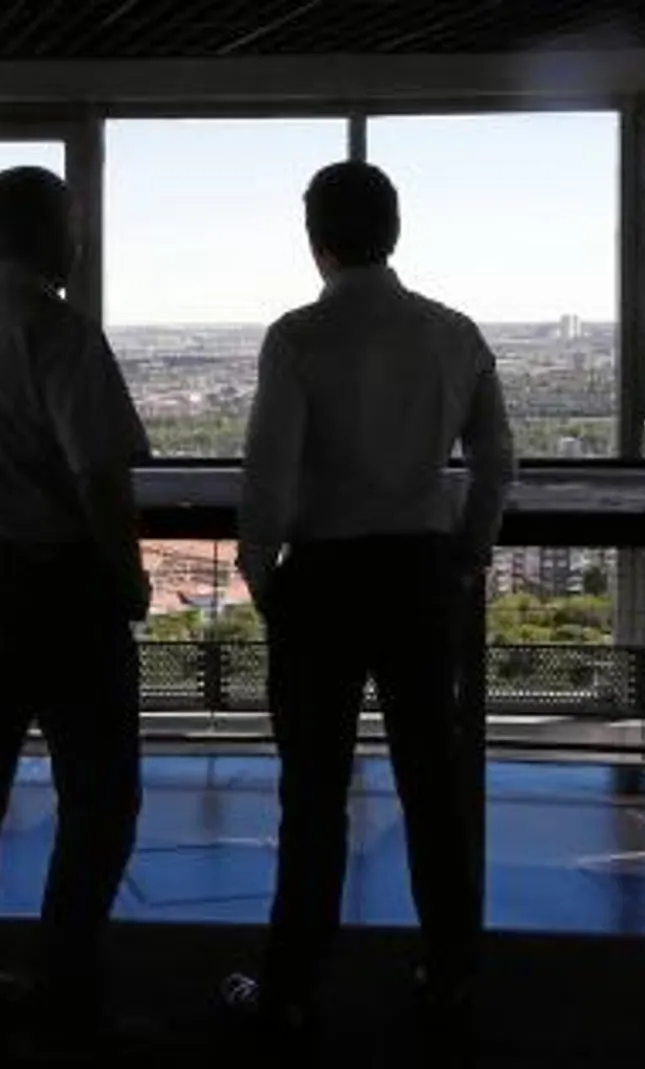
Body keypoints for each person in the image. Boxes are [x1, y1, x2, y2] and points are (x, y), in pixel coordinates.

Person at [225, 161, 514, 1037]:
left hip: (324, 580)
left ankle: (292, 982)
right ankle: (453, 971)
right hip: (421, 575)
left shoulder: (298, 338)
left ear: (316, 238)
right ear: (395, 230)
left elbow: (269, 475)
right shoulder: (454, 334)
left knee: (310, 789)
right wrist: (468, 552)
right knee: (433, 781)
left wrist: (261, 571)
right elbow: (496, 461)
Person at [0, 166, 151, 1050]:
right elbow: (99, 473)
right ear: (48, 233)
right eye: (74, 223)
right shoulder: (57, 330)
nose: (80, 239)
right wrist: (128, 577)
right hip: (61, 585)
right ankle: (66, 980)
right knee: (100, 794)